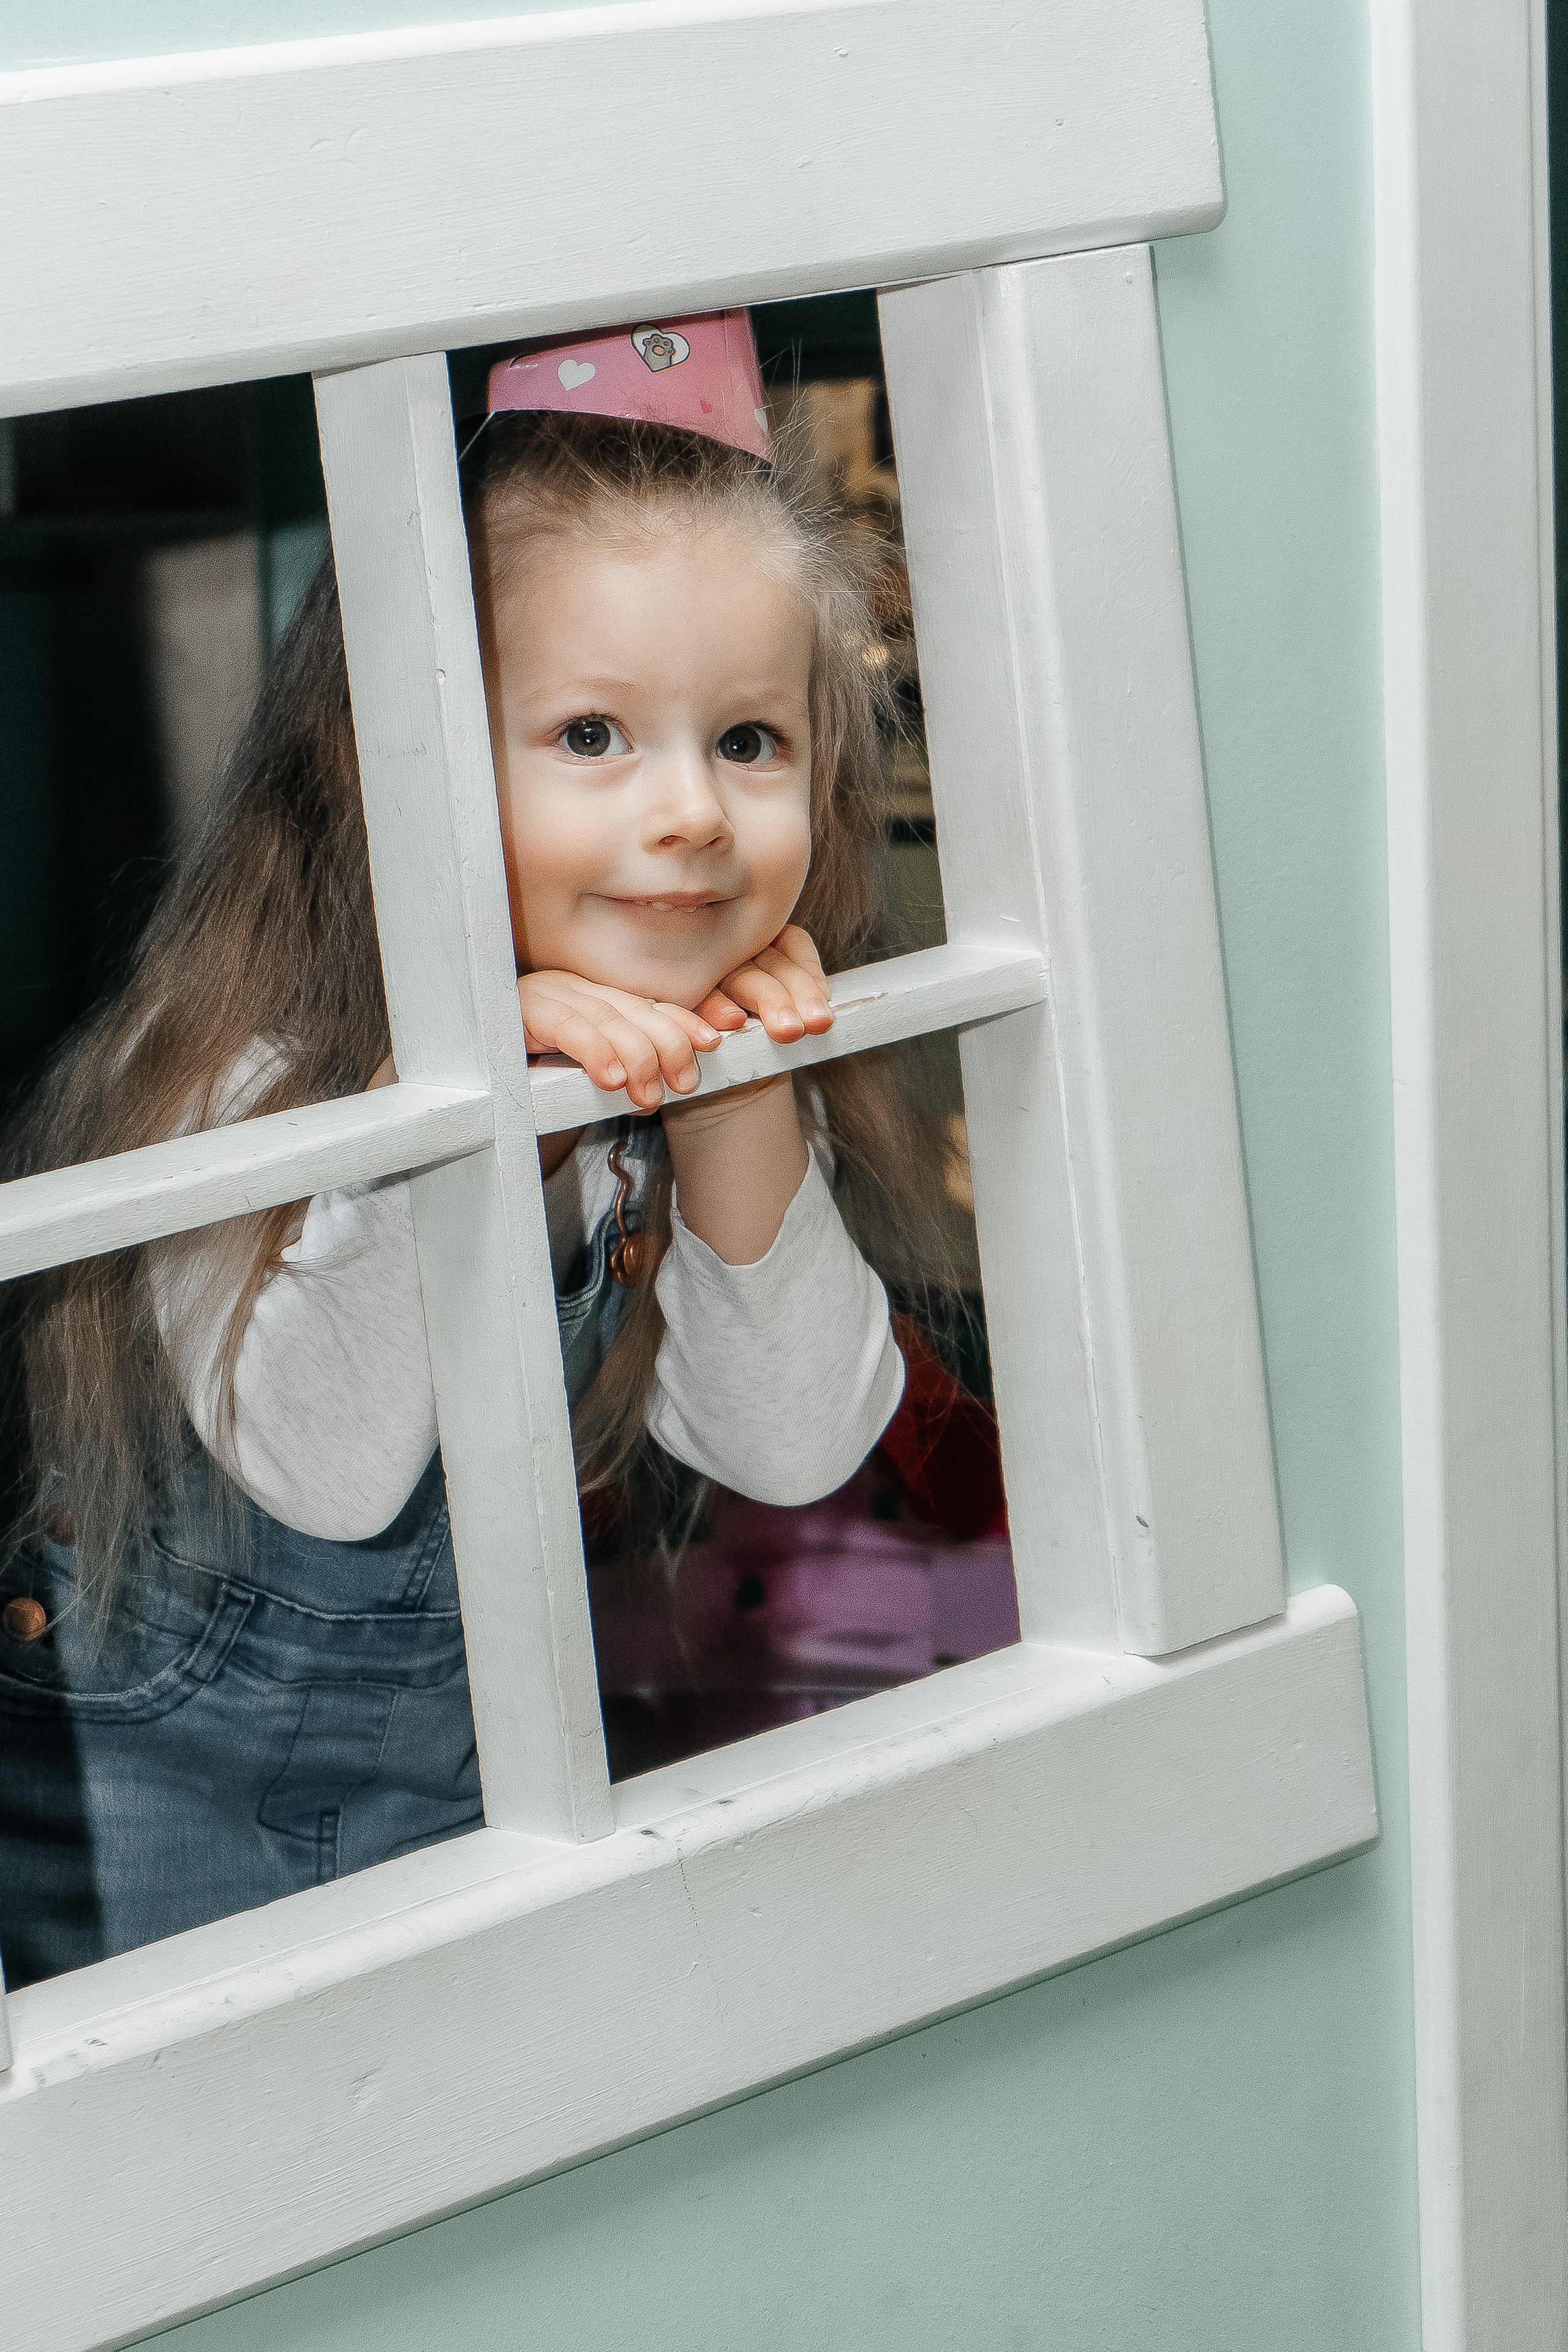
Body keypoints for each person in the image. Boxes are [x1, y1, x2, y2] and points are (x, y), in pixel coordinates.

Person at [0, 312, 957, 1986]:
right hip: (132, 1793)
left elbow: (795, 1446)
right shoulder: (260, 1077)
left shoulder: (661, 1095)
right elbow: (323, 1464)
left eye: (749, 740)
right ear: (405, 771)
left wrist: (739, 1095)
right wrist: (477, 1118)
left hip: (457, 1769)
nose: (690, 813)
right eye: (594, 736)